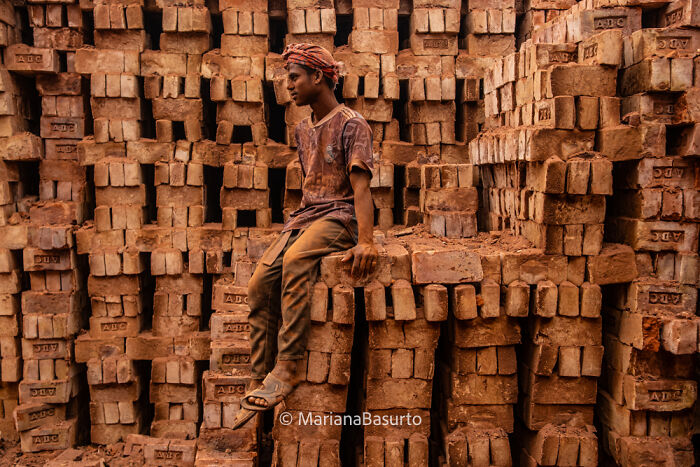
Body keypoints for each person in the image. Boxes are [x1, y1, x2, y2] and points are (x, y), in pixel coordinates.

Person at [232, 43, 378, 429]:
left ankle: (288, 366)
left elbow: (360, 190)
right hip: (307, 216)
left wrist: (366, 240)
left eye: (294, 77)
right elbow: (310, 187)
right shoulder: (301, 129)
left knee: (297, 262)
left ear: (319, 77)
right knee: (259, 283)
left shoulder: (352, 124)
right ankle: (260, 373)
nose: (288, 85)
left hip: (341, 215)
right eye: (287, 78)